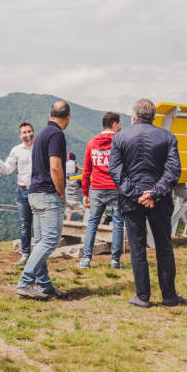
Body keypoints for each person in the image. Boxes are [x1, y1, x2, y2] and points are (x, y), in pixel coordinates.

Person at [109, 98, 183, 308]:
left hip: (131, 202)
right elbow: (173, 170)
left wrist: (135, 194)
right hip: (159, 200)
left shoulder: (120, 137)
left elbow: (115, 170)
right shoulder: (167, 137)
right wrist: (155, 193)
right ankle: (169, 296)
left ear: (134, 117)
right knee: (164, 247)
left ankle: (142, 296)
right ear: (153, 117)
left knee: (137, 248)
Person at [16, 101, 72, 300]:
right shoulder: (57, 135)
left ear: (50, 114)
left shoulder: (40, 134)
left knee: (40, 241)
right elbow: (55, 166)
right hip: (48, 194)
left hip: (34, 193)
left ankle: (44, 284)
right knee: (50, 240)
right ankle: (25, 282)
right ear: (68, 117)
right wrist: (62, 192)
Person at [78, 112, 125, 269]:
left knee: (92, 222)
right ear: (114, 124)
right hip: (116, 188)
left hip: (97, 188)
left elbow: (86, 171)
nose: (120, 126)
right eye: (119, 123)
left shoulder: (92, 143)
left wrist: (85, 193)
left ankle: (86, 259)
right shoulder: (120, 142)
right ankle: (115, 261)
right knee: (118, 223)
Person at [0, 122, 35, 266]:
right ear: (20, 135)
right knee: (24, 225)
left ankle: (39, 255)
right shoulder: (16, 150)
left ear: (34, 132)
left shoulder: (41, 147)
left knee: (40, 225)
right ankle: (25, 254)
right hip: (22, 191)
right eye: (24, 132)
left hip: (39, 190)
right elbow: (8, 169)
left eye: (29, 131)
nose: (27, 134)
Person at [65, 153, 84, 221]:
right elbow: (84, 187)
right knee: (84, 213)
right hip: (75, 201)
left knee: (69, 214)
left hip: (67, 201)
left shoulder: (65, 180)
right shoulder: (78, 180)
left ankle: (66, 230)